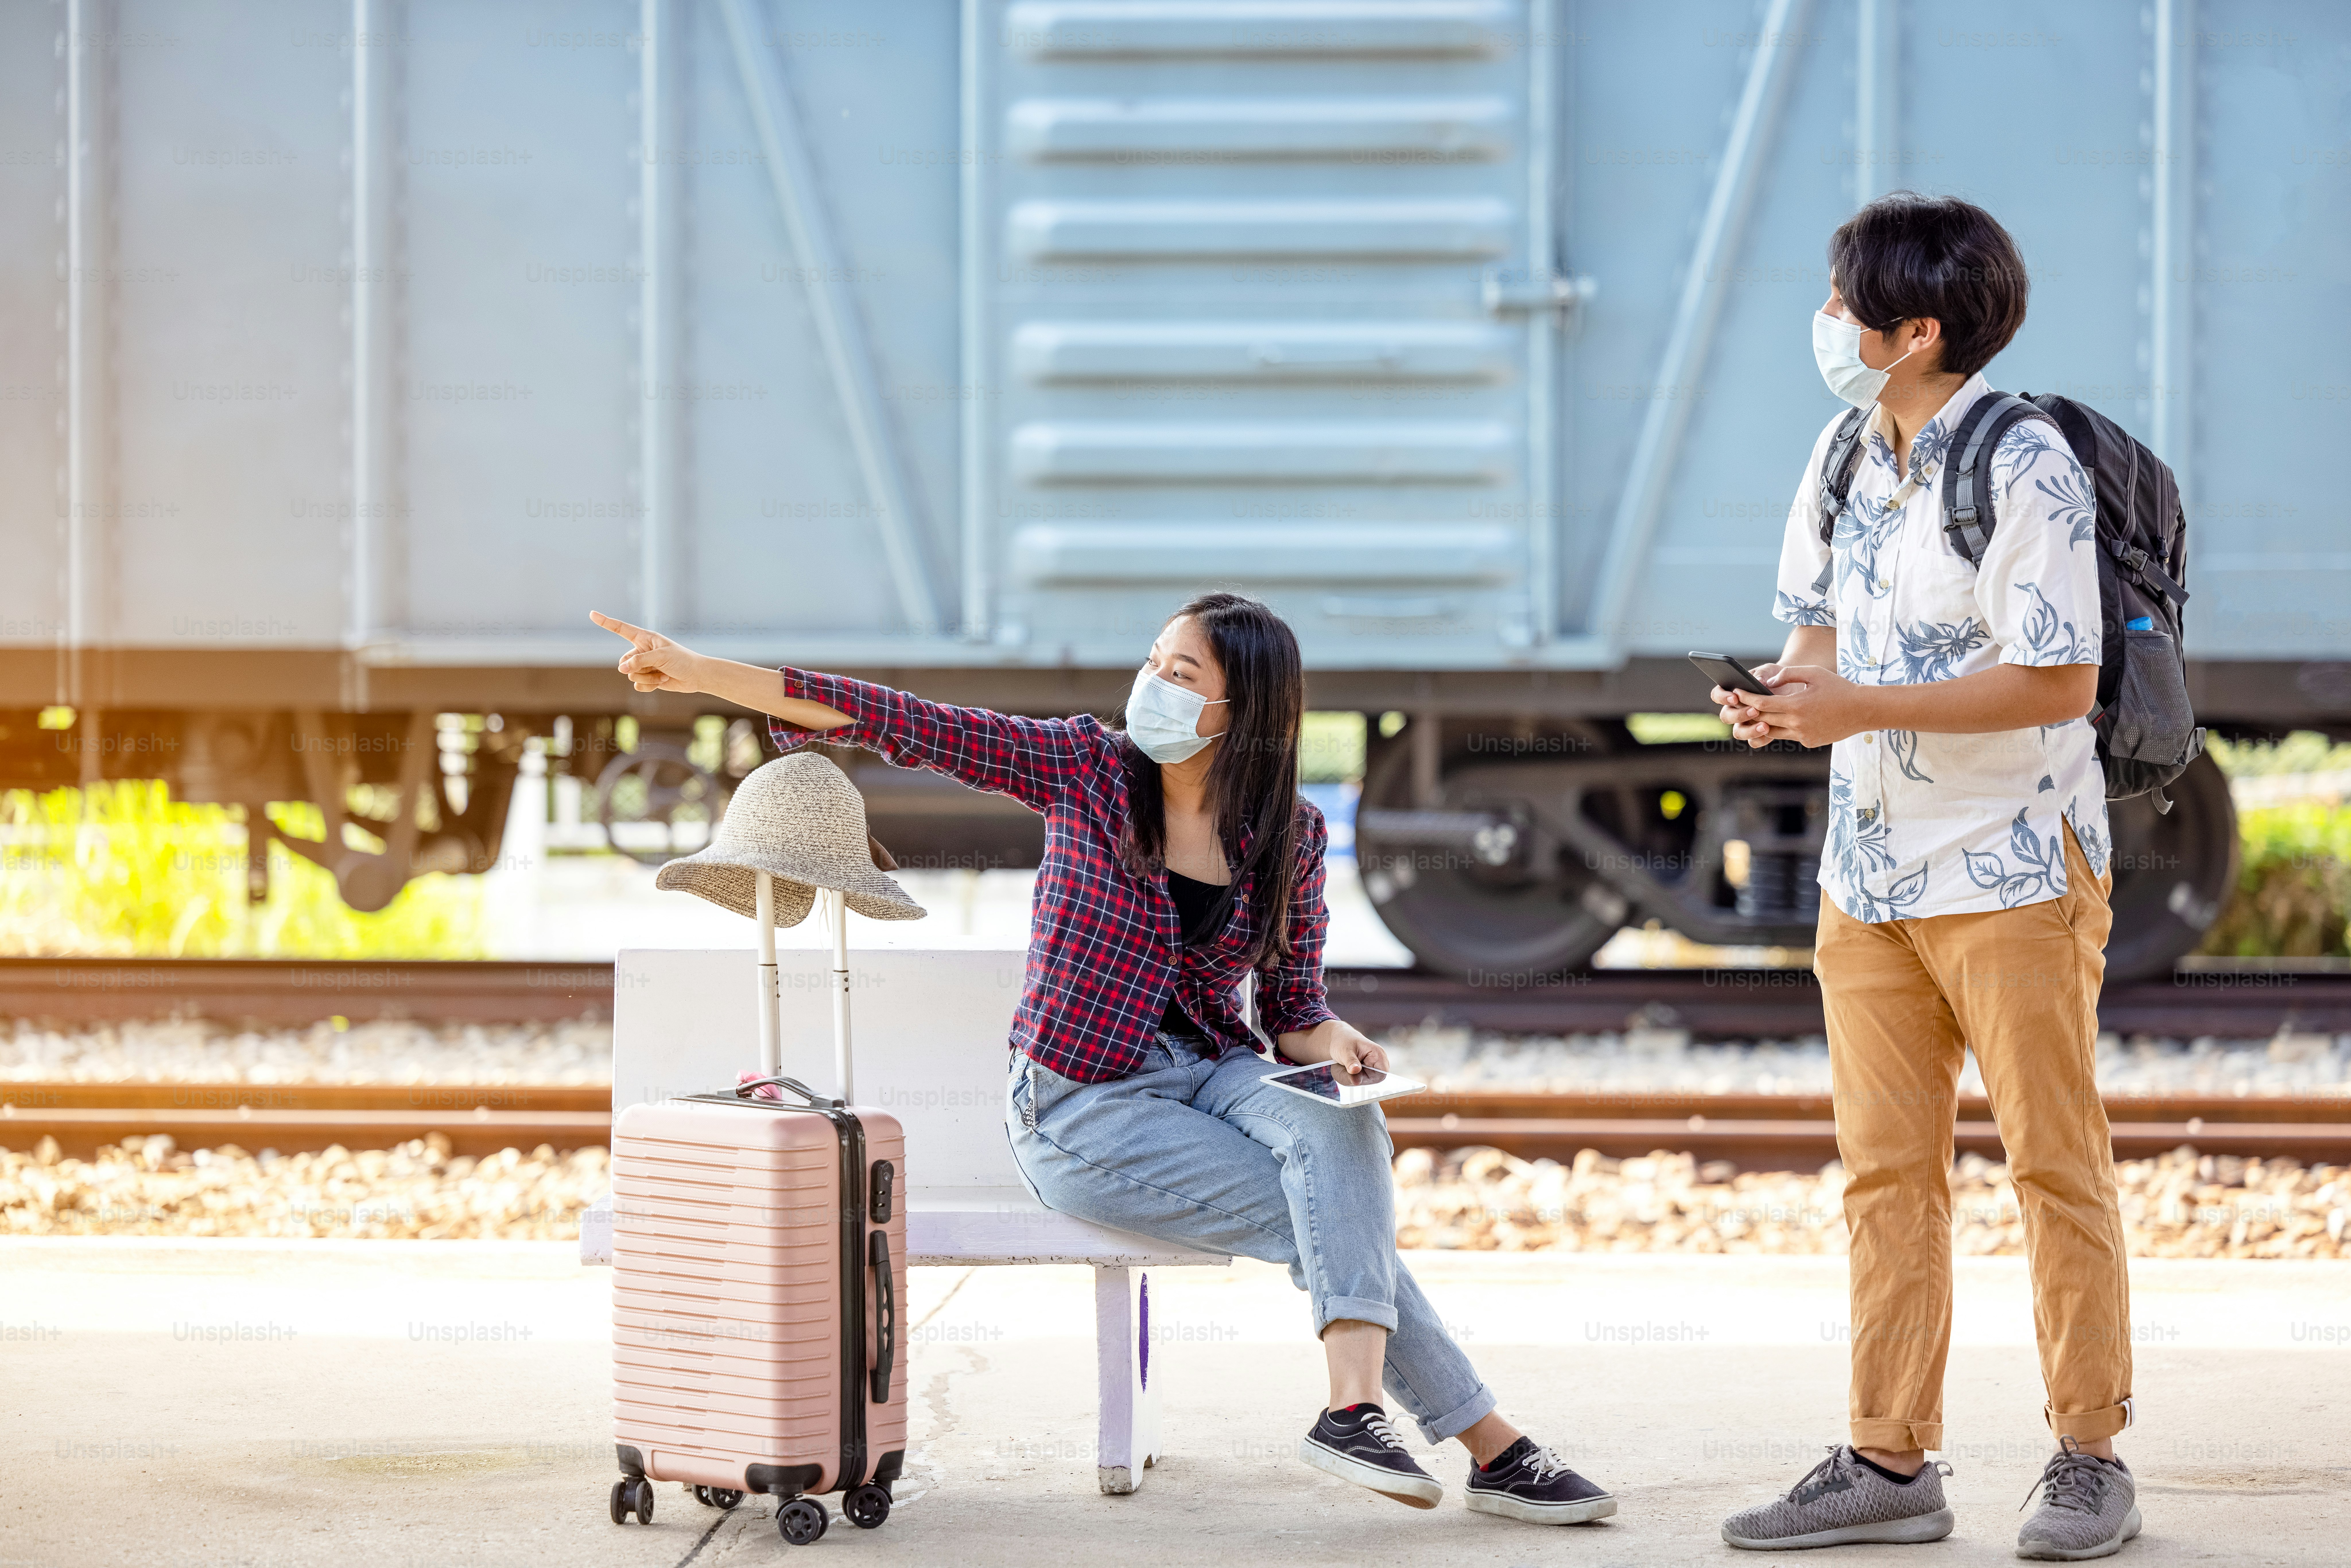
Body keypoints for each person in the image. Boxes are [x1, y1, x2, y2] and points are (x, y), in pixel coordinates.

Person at [591, 593, 1616, 1527]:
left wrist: (1336, 1043)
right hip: (1079, 1103)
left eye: (1183, 676)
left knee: (1342, 1124)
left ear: (1243, 713)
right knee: (1336, 1214)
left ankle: (1357, 1412)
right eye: (1156, 662)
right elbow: (901, 719)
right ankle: (1494, 1448)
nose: (1153, 687)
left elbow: (1294, 1010)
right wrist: (700, 670)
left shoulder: (1290, 835)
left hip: (1213, 1071)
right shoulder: (1083, 769)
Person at [1710, 193, 2139, 1561]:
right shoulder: (1843, 451)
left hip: (2013, 865)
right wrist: (1783, 704)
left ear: (1913, 333)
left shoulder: (2023, 466)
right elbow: (1822, 649)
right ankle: (1887, 1456)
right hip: (1870, 875)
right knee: (1883, 1174)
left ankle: (2086, 1454)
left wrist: (1858, 708)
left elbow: (2057, 677)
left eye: (1844, 304)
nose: (1823, 322)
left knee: (2050, 1164)